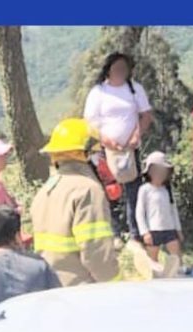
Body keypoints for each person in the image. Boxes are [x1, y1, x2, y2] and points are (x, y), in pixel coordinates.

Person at [30, 118, 121, 286]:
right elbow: (97, 254)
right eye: (97, 153)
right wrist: (116, 284)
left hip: (50, 288)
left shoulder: (45, 191)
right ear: (86, 155)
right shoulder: (88, 190)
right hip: (81, 293)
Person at [83, 52, 153, 241]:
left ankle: (134, 233)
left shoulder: (134, 89)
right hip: (105, 150)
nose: (121, 71)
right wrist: (106, 140)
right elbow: (89, 123)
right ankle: (114, 233)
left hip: (130, 149)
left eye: (124, 68)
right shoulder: (98, 92)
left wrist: (136, 135)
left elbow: (146, 115)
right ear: (108, 70)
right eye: (117, 68)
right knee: (110, 191)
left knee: (133, 190)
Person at [135, 151, 184, 265]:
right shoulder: (144, 189)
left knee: (177, 260)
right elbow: (139, 213)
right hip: (153, 230)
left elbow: (173, 210)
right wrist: (145, 232)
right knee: (152, 263)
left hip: (169, 229)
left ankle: (179, 278)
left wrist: (178, 229)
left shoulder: (167, 190)